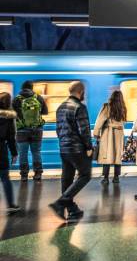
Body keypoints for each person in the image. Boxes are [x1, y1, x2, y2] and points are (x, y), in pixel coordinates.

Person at [49, 81, 93, 222]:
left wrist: (63, 142)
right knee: (85, 175)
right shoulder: (80, 107)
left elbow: (58, 129)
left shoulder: (61, 107)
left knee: (67, 178)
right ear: (81, 91)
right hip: (77, 148)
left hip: (64, 147)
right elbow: (84, 130)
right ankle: (61, 202)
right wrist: (89, 147)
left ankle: (71, 210)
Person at [12, 80, 48, 182]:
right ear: (32, 88)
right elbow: (45, 112)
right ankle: (38, 174)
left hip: (21, 131)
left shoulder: (16, 99)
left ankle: (24, 175)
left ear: (22, 88)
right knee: (36, 152)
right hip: (37, 130)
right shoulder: (38, 97)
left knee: (23, 153)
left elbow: (12, 115)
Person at [93, 90, 127, 185]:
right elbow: (123, 121)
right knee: (117, 155)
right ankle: (116, 177)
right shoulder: (123, 108)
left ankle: (106, 178)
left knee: (107, 155)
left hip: (108, 133)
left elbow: (100, 120)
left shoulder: (107, 107)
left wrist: (96, 133)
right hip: (119, 133)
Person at [0, 93, 20, 212]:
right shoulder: (9, 117)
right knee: (5, 177)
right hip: (1, 150)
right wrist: (14, 153)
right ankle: (11, 205)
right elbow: (11, 138)